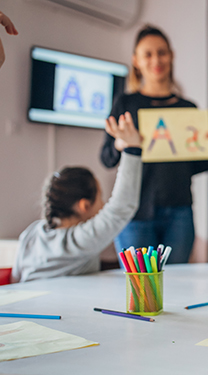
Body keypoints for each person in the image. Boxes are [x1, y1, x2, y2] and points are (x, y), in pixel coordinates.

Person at [100, 25, 208, 264]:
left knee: (176, 285)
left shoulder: (188, 108)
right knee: (138, 288)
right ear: (136, 60)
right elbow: (106, 158)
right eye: (148, 54)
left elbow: (190, 165)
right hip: (133, 212)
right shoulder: (125, 103)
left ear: (171, 55)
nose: (156, 59)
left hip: (179, 211)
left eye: (162, 52)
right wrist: (120, 143)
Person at [12, 113, 143, 282]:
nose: (103, 205)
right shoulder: (79, 241)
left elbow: (16, 279)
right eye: (100, 198)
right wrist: (132, 149)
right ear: (84, 206)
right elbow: (120, 208)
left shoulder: (31, 233)